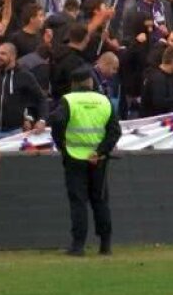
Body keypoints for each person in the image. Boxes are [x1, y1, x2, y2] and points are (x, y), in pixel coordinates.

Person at [50, 69, 122, 256]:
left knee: (78, 201)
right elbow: (115, 131)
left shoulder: (69, 100)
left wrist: (62, 145)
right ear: (90, 82)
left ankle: (78, 245)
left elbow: (56, 121)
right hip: (98, 159)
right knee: (100, 200)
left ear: (74, 83)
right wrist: (100, 151)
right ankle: (105, 245)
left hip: (74, 156)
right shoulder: (104, 101)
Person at [0, 43, 48, 136]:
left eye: (3, 54)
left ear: (13, 56)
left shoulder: (25, 76)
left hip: (14, 132)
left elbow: (41, 99)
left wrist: (41, 120)